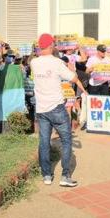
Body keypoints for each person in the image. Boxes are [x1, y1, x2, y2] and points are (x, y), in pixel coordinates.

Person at [32, 34, 82, 187]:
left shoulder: (34, 62)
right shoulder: (57, 62)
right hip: (57, 108)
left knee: (44, 142)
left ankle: (47, 175)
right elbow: (73, 78)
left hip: (41, 109)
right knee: (67, 141)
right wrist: (72, 71)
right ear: (51, 45)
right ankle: (65, 176)